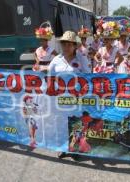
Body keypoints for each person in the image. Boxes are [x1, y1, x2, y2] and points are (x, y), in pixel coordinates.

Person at [49, 30, 90, 159]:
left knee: (77, 123)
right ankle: (62, 148)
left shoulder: (81, 59)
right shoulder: (56, 60)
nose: (66, 47)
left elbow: (88, 76)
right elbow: (50, 77)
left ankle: (75, 148)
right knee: (61, 123)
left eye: (69, 44)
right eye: (64, 44)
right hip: (60, 98)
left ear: (74, 45)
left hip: (77, 98)